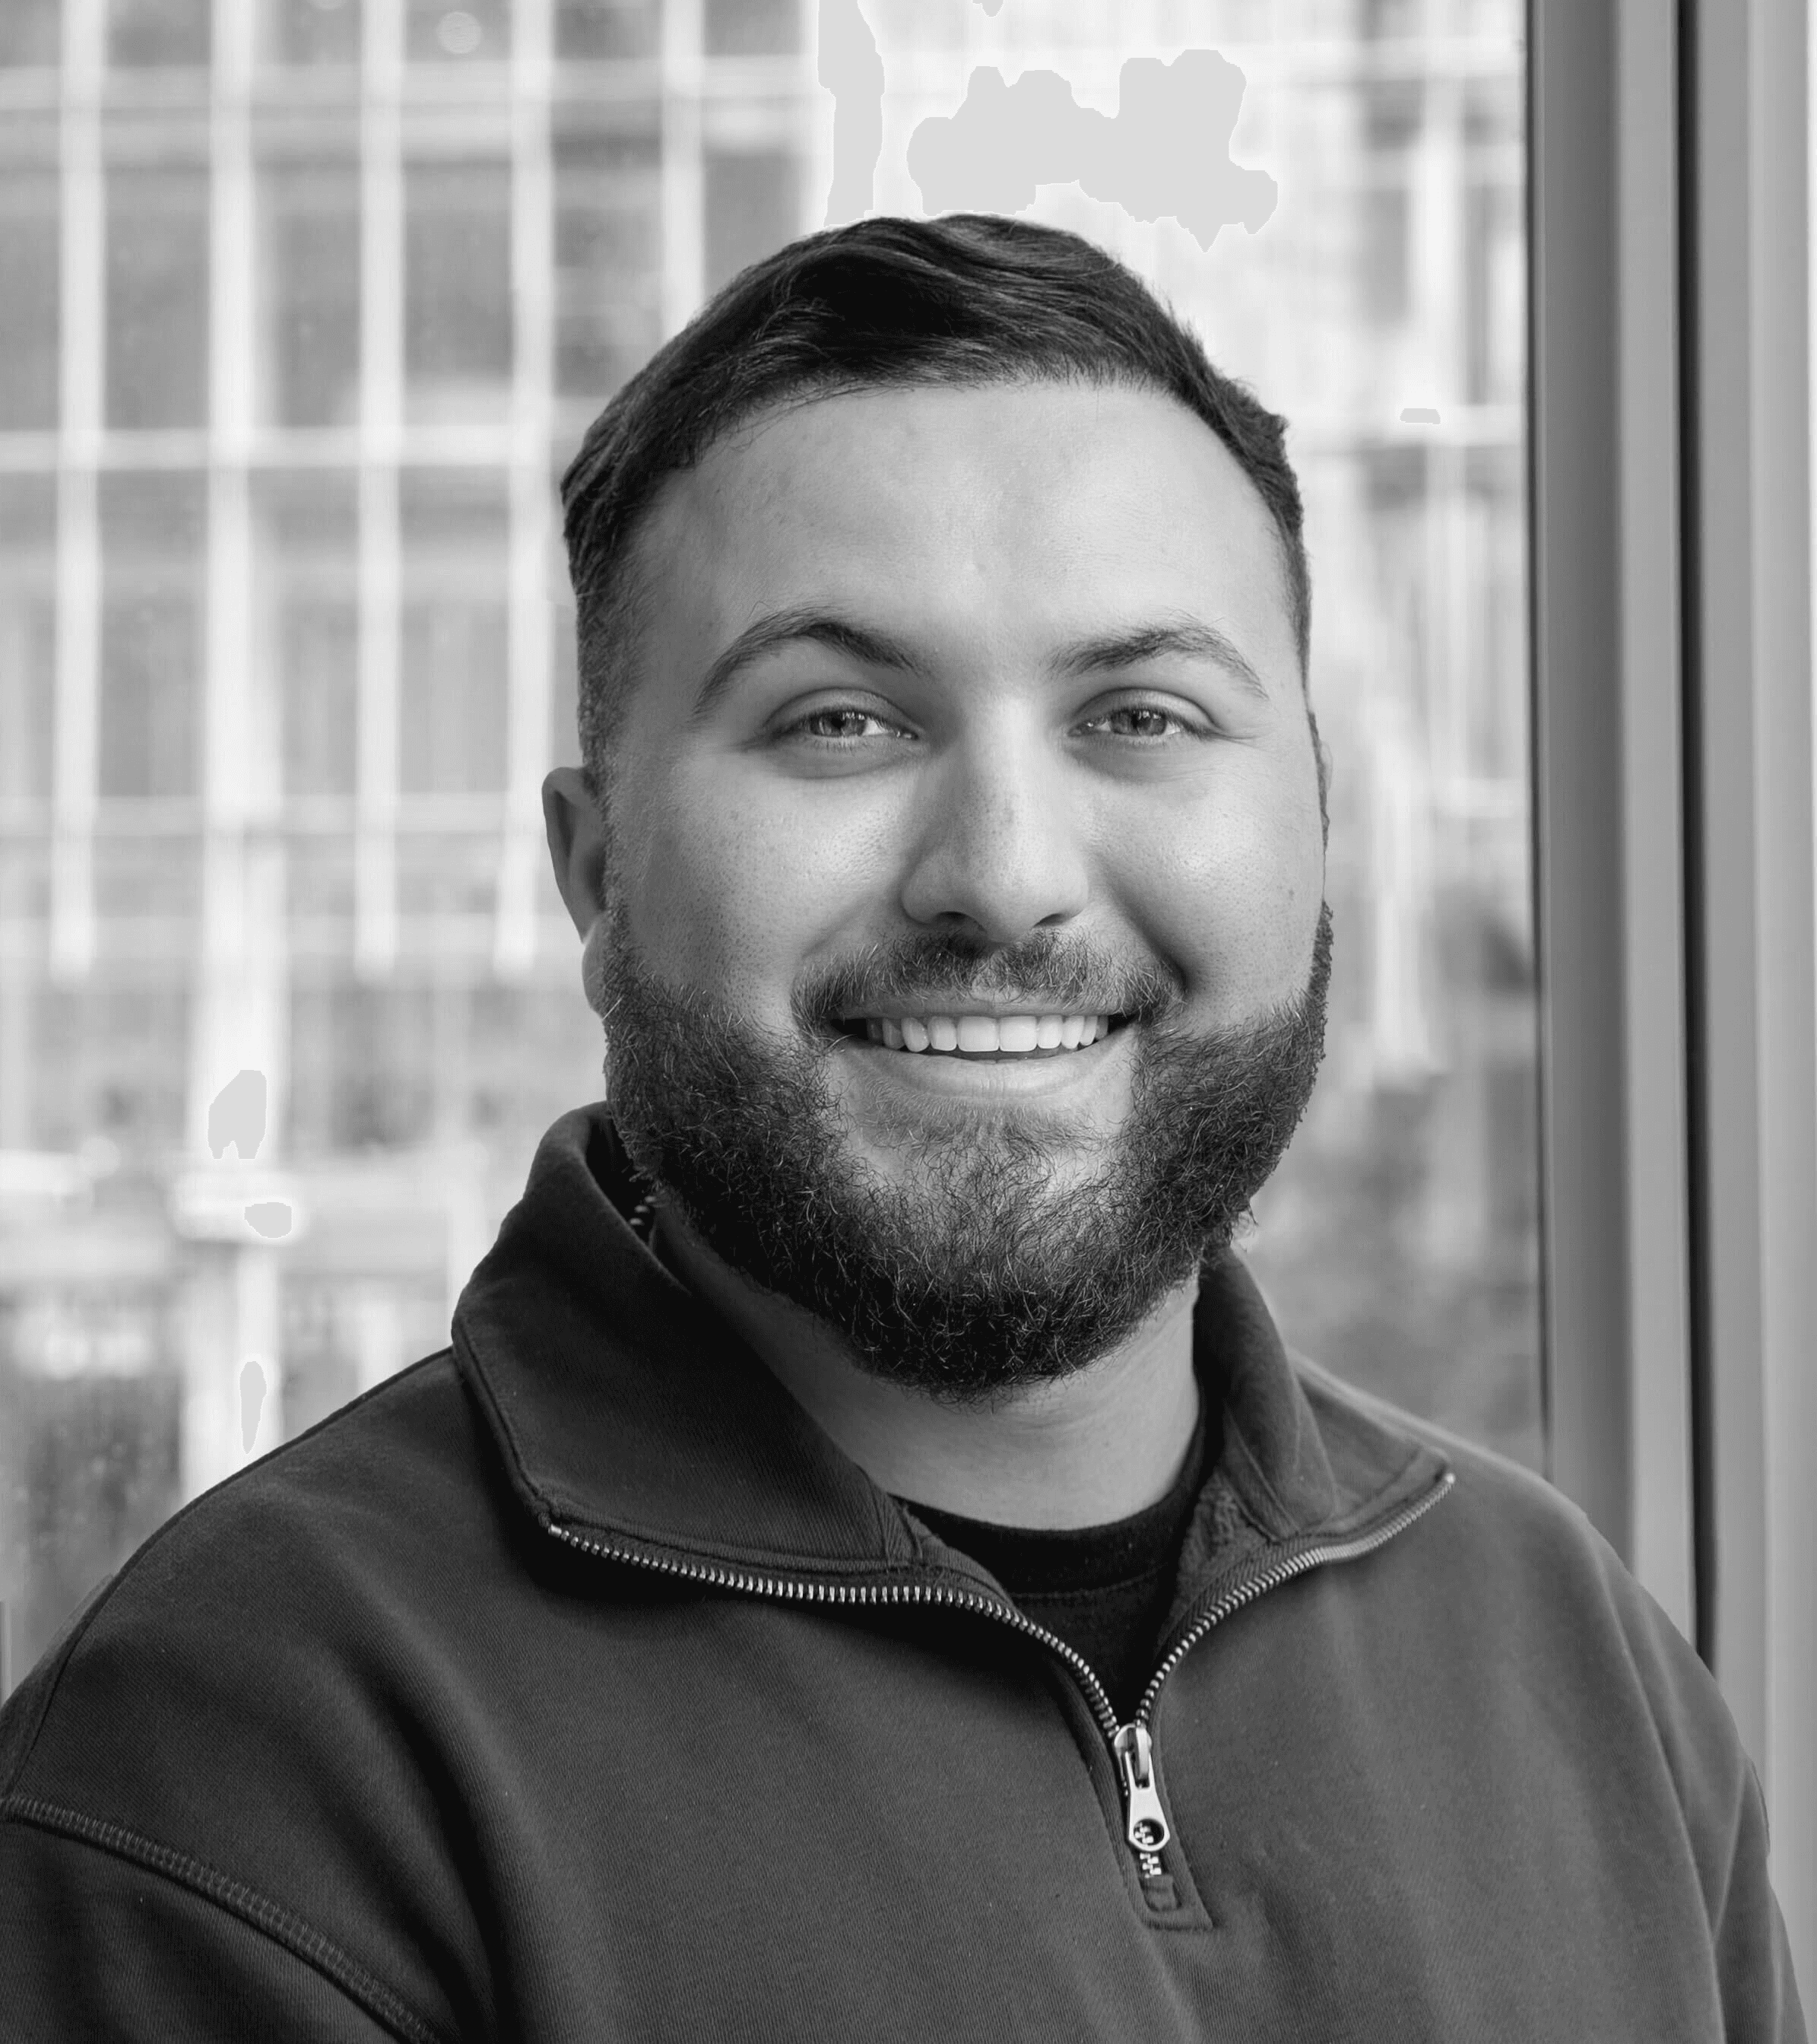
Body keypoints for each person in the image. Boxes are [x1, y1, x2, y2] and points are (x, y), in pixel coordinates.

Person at [0, 215, 1803, 2042]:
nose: (1003, 878)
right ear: (596, 873)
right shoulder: (233, 1766)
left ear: (1318, 826)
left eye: (1141, 714)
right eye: (841, 722)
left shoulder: (1575, 1661)